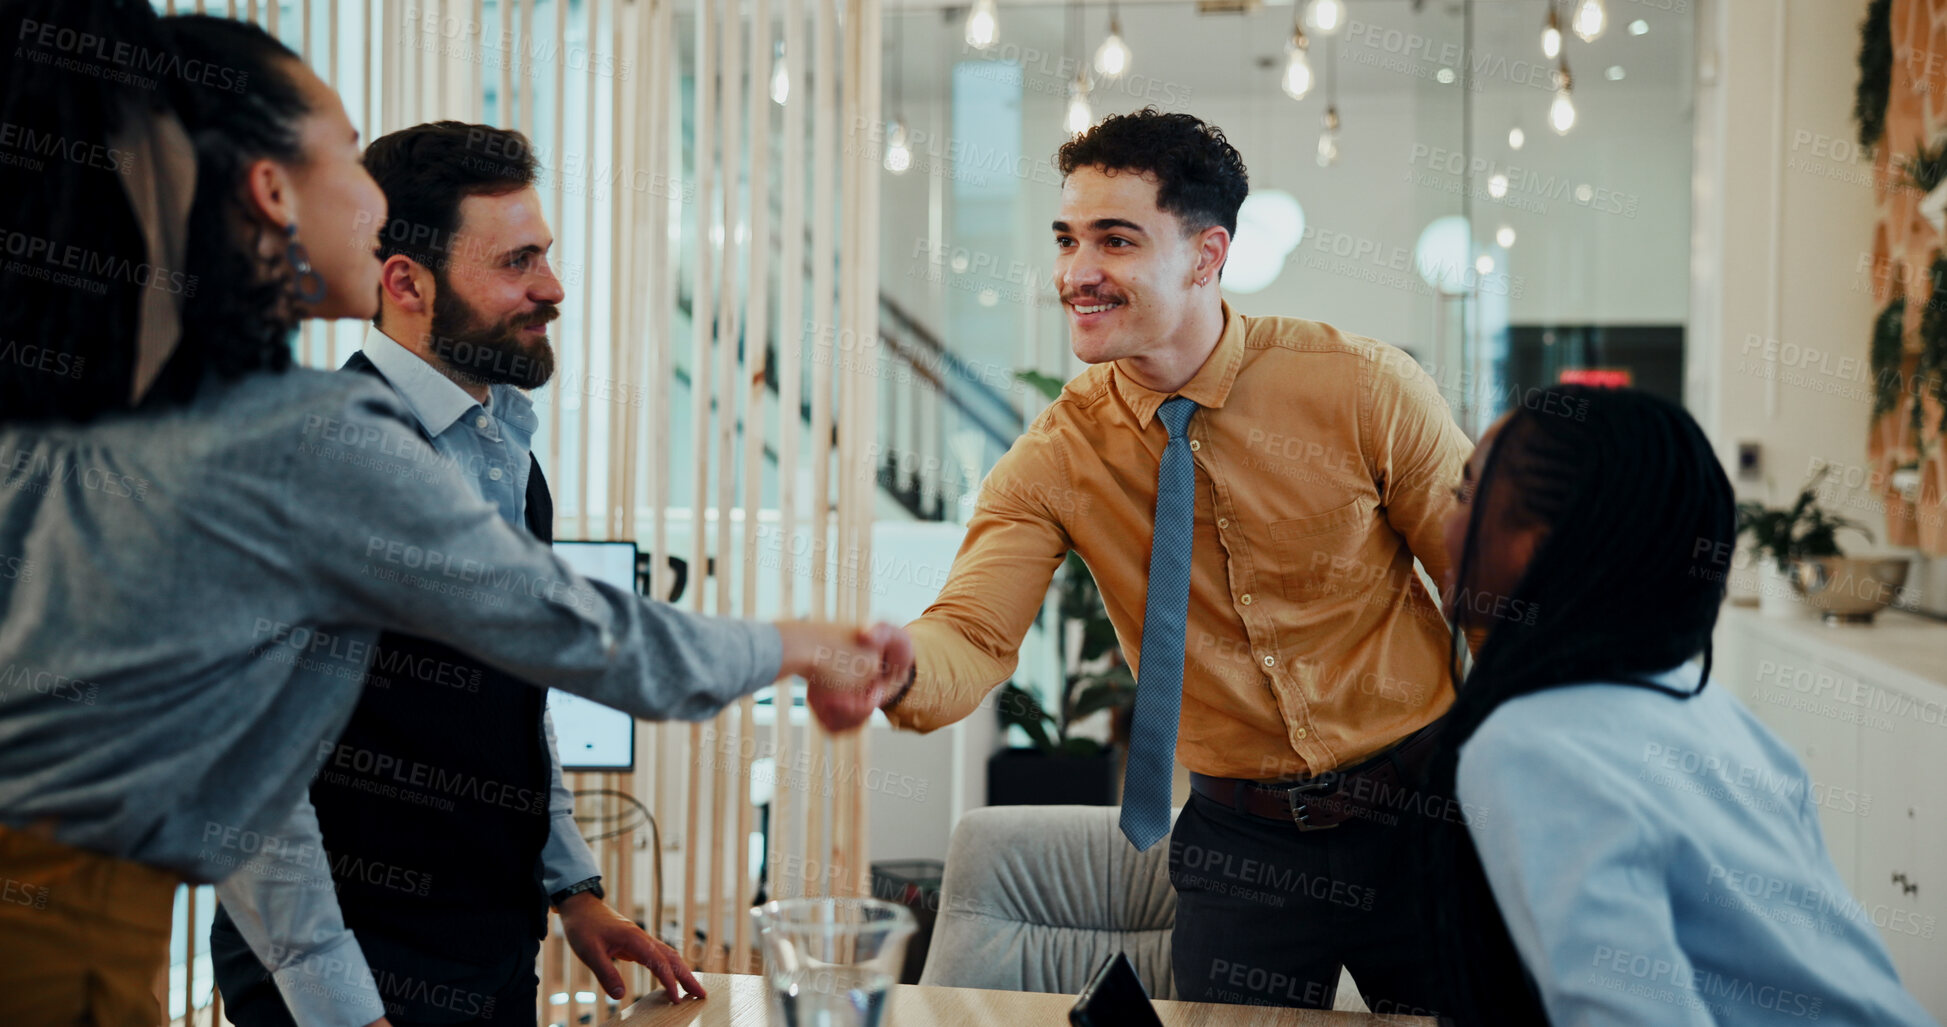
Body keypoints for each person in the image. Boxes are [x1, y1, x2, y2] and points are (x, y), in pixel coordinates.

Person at [0, 6, 904, 1026]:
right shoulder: (311, 441)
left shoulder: (148, 420)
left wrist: (571, 885)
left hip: (388, 943)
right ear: (271, 191)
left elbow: (505, 686)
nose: (371, 199)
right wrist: (808, 644)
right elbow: (594, 640)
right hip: (116, 955)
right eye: (349, 155)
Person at [875, 108, 1471, 1013]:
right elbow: (970, 631)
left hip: (1425, 811)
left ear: (1206, 254)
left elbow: (1490, 593)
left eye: (1115, 240)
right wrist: (896, 671)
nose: (1077, 273)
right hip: (1242, 844)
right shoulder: (1059, 454)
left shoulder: (1361, 387)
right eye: (1068, 239)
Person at [206, 119, 700, 1027]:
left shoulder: (507, 447)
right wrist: (340, 1007)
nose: (551, 289)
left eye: (544, 254)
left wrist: (574, 889)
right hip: (349, 986)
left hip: (490, 960)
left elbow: (513, 701)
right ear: (406, 283)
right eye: (517, 263)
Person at [1423, 385, 1935, 1026]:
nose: (1445, 520)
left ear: (1544, 546)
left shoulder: (1531, 745)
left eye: (1467, 494)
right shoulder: (1712, 714)